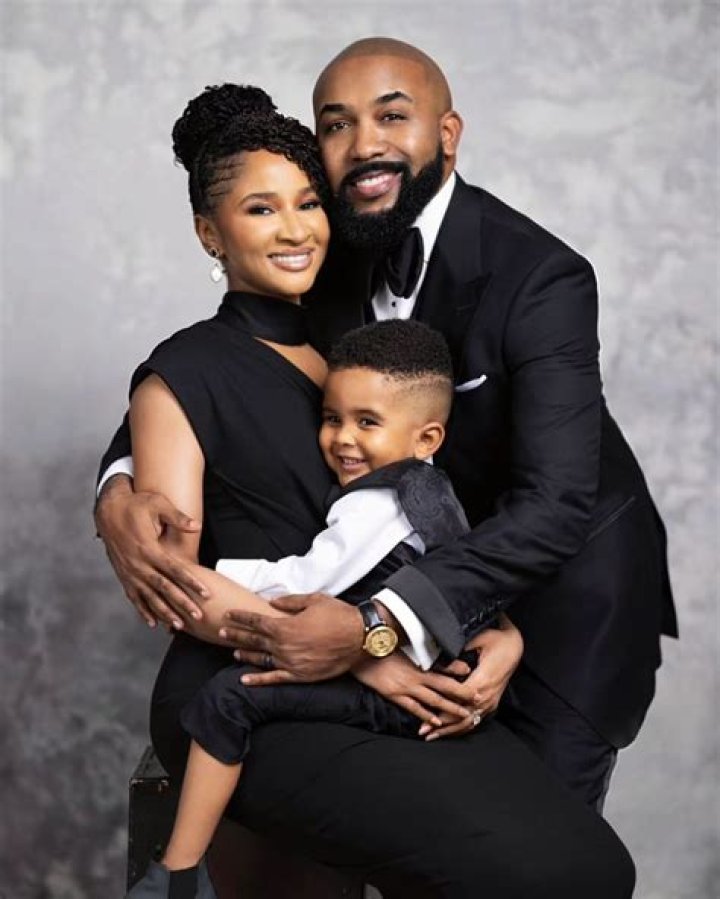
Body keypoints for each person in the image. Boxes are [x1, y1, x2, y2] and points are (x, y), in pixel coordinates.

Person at [99, 79, 635, 898]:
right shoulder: (183, 369)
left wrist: (485, 630)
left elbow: (415, 518)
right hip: (245, 689)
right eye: (260, 209)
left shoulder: (353, 348)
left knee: (593, 865)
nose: (295, 229)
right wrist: (357, 656)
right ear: (210, 231)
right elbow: (183, 589)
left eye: (309, 203)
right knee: (539, 875)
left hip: (369, 669)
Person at [129, 319, 520, 899]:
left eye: (367, 423)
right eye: (332, 418)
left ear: (427, 438)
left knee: (229, 698)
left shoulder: (378, 503)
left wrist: (215, 574)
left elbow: (305, 583)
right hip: (424, 672)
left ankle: (178, 875)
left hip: (406, 691)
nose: (342, 439)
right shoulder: (429, 488)